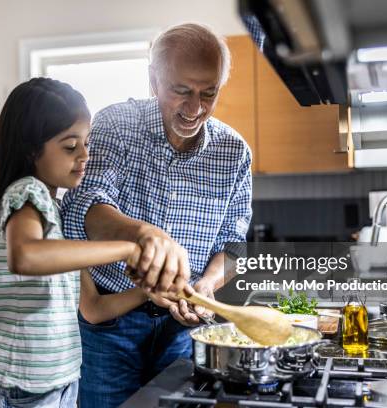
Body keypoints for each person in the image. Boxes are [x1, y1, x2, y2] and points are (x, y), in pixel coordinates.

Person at [62, 23, 253, 407]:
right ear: (154, 80)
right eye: (180, 91)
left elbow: (233, 245)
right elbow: (87, 210)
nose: (195, 108)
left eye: (208, 93)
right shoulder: (116, 124)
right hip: (109, 326)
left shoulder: (234, 152)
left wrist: (208, 285)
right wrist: (145, 233)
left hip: (180, 330)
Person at [0, 78, 160, 408]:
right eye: (70, 147)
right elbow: (26, 255)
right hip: (18, 390)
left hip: (58, 385)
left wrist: (150, 291)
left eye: (86, 143)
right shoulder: (28, 194)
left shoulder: (56, 212)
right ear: (31, 150)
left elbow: (94, 309)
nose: (85, 155)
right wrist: (129, 247)